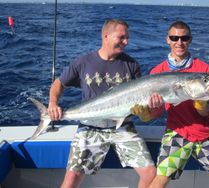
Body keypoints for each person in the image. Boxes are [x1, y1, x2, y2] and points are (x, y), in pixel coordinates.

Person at [132, 20, 209, 188]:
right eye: (174, 37)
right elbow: (157, 114)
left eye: (184, 38)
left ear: (190, 40)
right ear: (167, 40)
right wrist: (145, 114)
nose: (179, 42)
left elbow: (205, 113)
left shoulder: (203, 68)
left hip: (205, 133)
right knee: (159, 182)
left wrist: (201, 103)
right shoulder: (157, 72)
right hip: (177, 132)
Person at [47, 19, 156, 188]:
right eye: (121, 37)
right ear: (106, 36)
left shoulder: (131, 64)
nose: (126, 42)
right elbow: (59, 84)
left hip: (122, 126)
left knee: (150, 174)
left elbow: (141, 99)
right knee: (71, 179)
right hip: (90, 127)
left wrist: (145, 112)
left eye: (127, 38)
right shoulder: (83, 62)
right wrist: (53, 103)